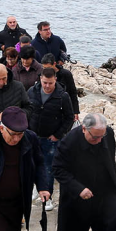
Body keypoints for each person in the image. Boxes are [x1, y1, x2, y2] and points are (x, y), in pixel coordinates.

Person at [53, 113, 116, 231]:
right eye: (95, 137)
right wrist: (78, 188)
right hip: (79, 192)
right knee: (76, 228)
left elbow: (110, 158)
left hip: (105, 190)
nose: (100, 140)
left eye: (102, 136)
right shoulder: (69, 141)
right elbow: (57, 169)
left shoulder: (108, 134)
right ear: (84, 129)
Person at [26, 66, 73, 211]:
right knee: (31, 164)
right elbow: (26, 111)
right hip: (32, 136)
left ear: (55, 80)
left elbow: (69, 118)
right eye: (45, 82)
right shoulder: (31, 92)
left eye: (50, 83)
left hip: (51, 139)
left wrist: (58, 135)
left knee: (48, 168)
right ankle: (36, 188)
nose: (47, 86)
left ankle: (48, 197)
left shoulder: (62, 96)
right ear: (40, 79)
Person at [44, 54, 79, 118]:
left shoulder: (66, 74)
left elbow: (73, 93)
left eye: (48, 68)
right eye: (44, 68)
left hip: (64, 107)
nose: (46, 71)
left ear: (54, 64)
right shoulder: (42, 75)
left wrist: (75, 111)